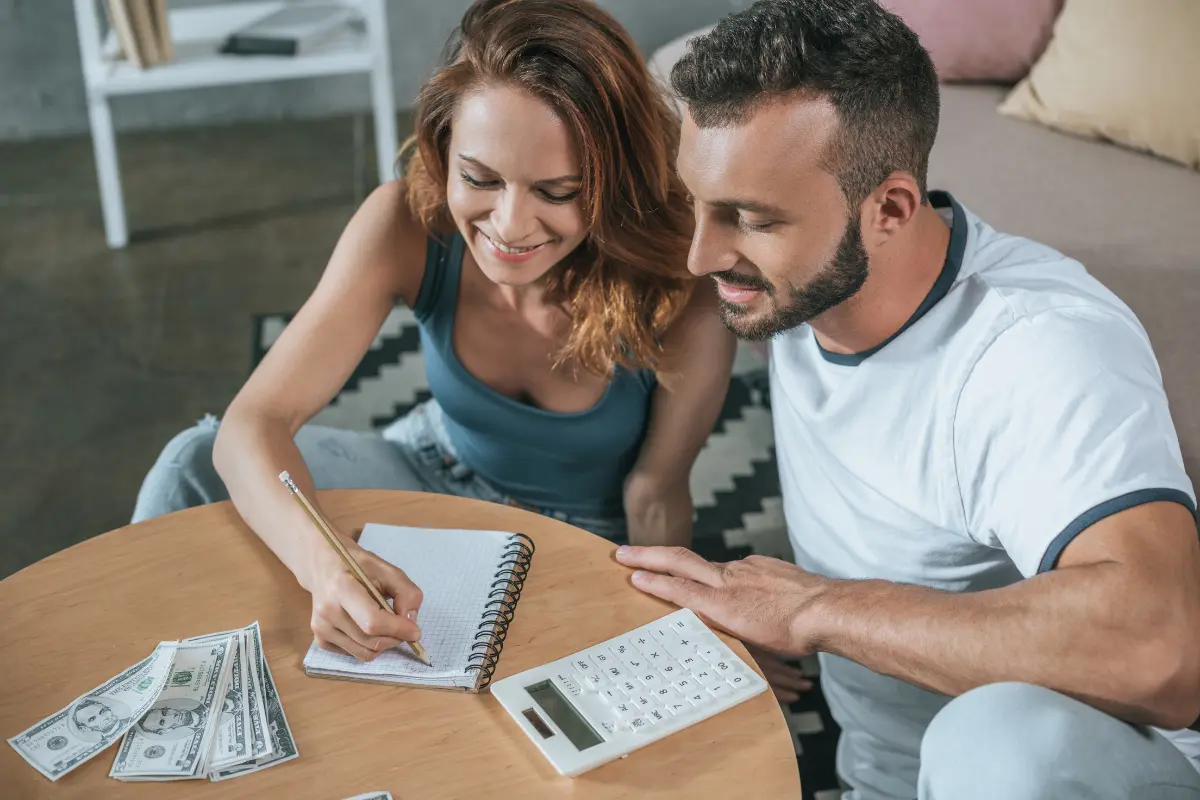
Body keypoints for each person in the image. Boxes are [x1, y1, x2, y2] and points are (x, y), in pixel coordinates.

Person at [615, 2, 1200, 798]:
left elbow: (1161, 649)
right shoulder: (794, 282)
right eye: (697, 204)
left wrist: (815, 610)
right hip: (882, 778)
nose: (700, 254)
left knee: (994, 741)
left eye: (748, 220)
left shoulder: (1036, 352)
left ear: (889, 209)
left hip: (1058, 775)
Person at [132, 0, 733, 665]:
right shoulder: (405, 222)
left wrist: (688, 639)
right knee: (194, 462)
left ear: (615, 184)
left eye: (558, 192)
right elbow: (257, 420)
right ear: (442, 151)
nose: (508, 225)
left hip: (572, 537)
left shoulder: (683, 289)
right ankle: (155, 686)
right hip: (429, 466)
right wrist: (328, 565)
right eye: (479, 178)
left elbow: (654, 495)